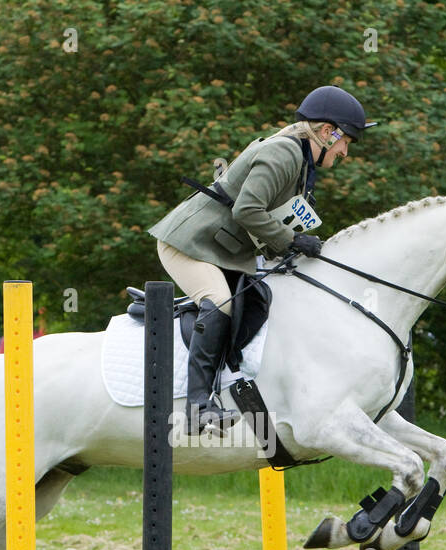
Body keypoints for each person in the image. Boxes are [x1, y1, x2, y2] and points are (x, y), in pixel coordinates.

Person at [148, 85, 375, 433]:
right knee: (220, 303)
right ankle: (197, 407)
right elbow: (247, 210)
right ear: (329, 133)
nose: (346, 152)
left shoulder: (300, 164)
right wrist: (292, 239)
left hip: (220, 250)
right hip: (188, 243)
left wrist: (290, 247)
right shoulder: (284, 153)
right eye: (347, 142)